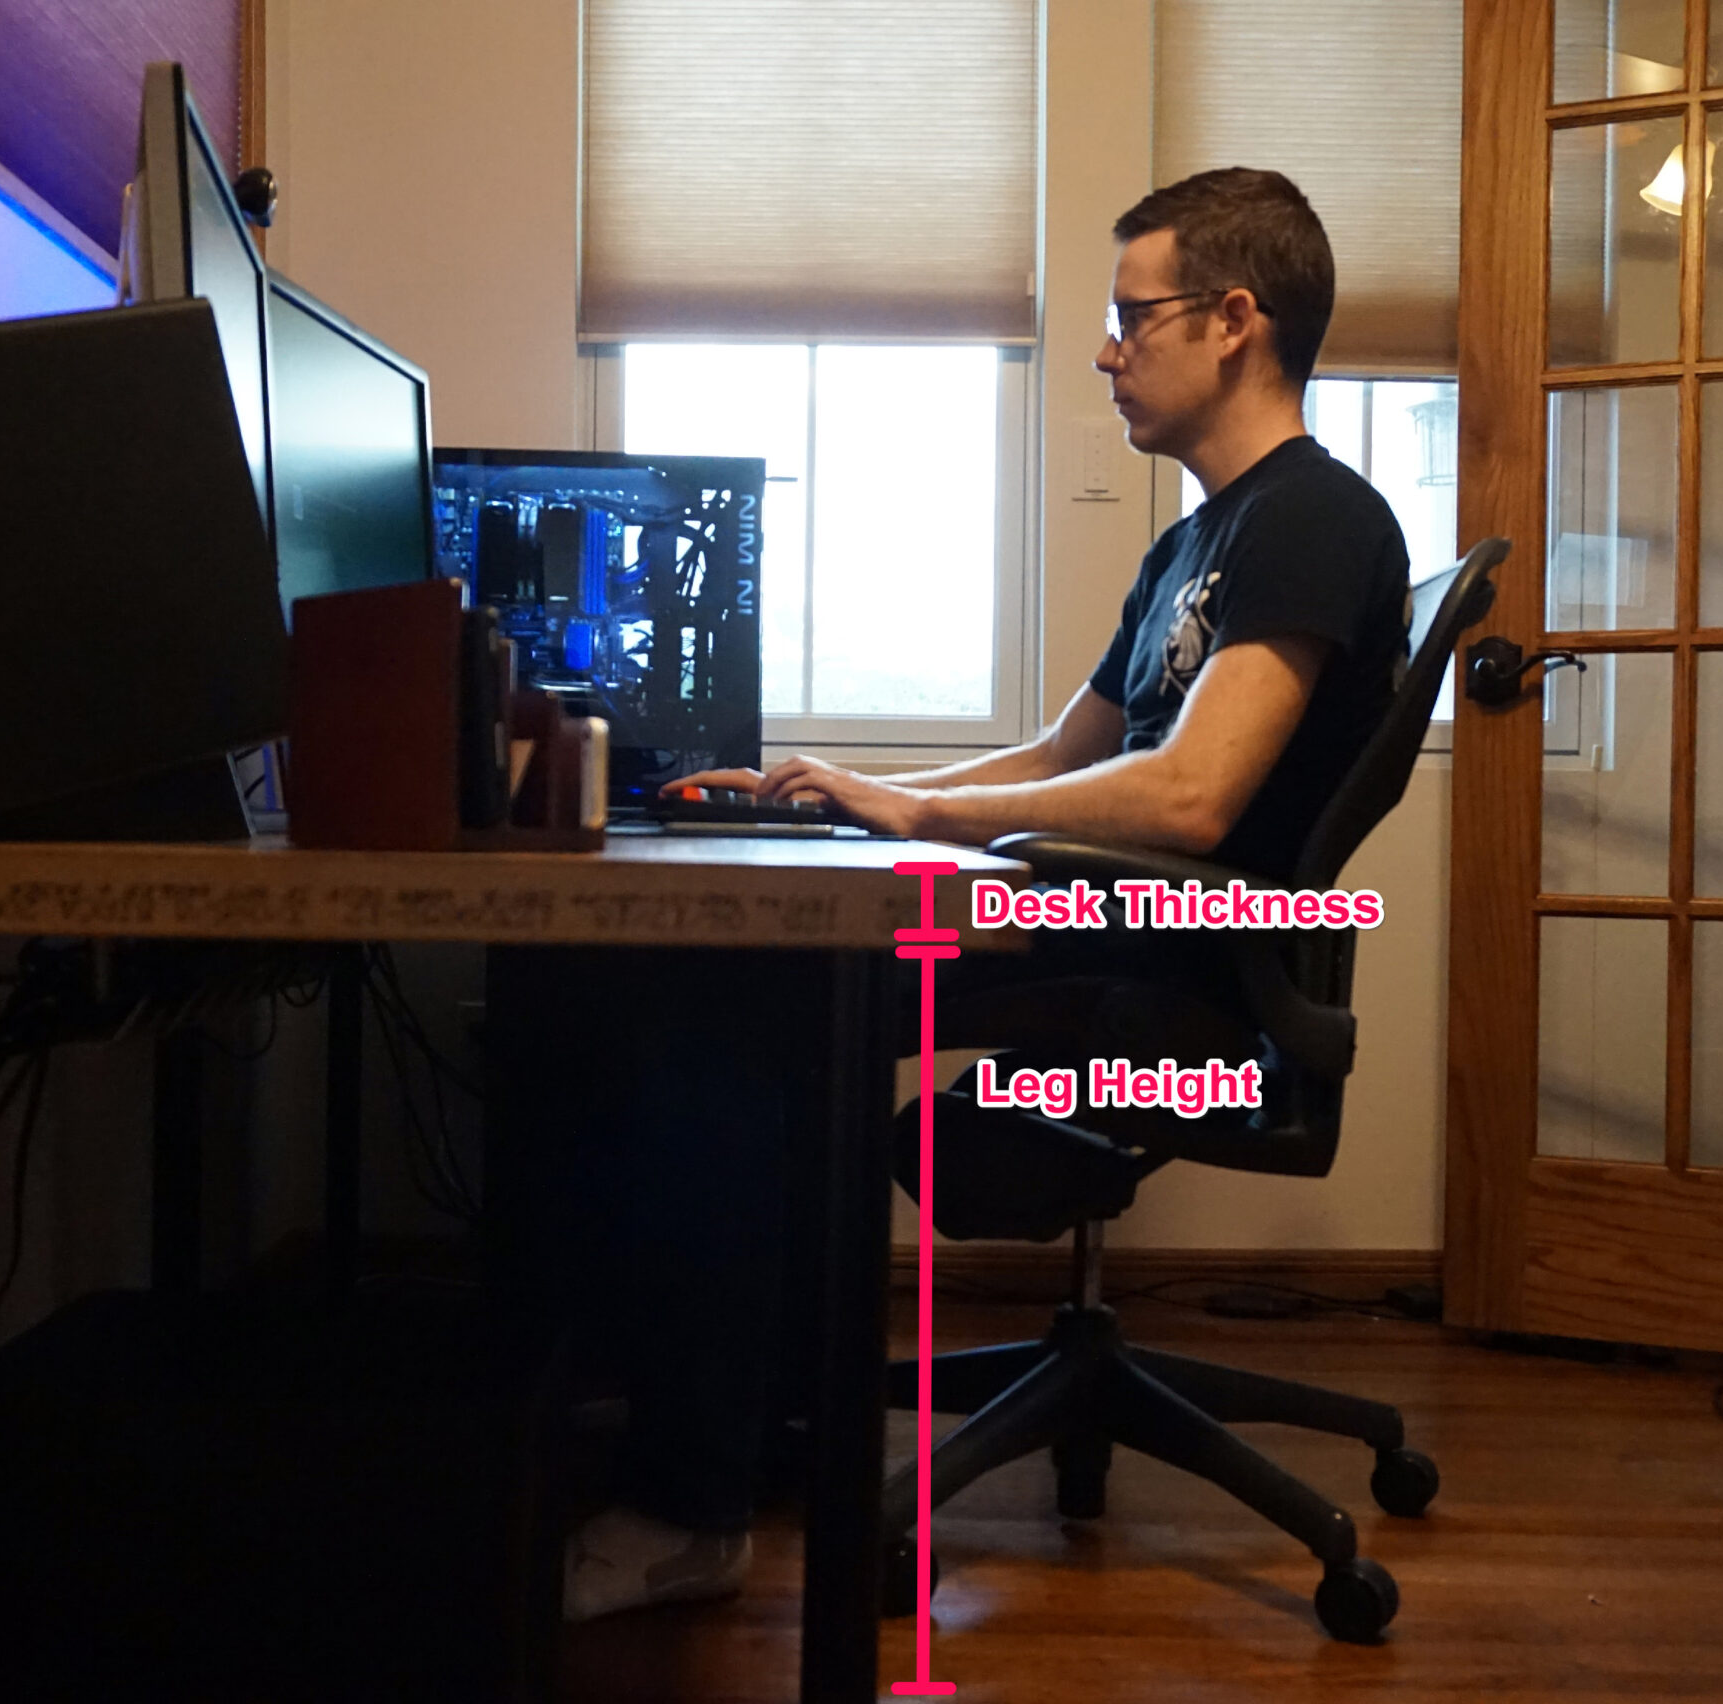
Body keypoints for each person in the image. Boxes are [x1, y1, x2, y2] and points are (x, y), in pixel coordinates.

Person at [551, 165, 1413, 1623]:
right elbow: (1068, 753)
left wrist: (931, 812)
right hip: (1113, 928)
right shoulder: (1196, 540)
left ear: (1234, 322)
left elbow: (1193, 800)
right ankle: (756, 1428)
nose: (1104, 347)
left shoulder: (1317, 522)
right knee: (738, 987)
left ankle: (699, 1492)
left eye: (1130, 316)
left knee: (734, 1017)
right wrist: (861, 793)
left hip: (1184, 983)